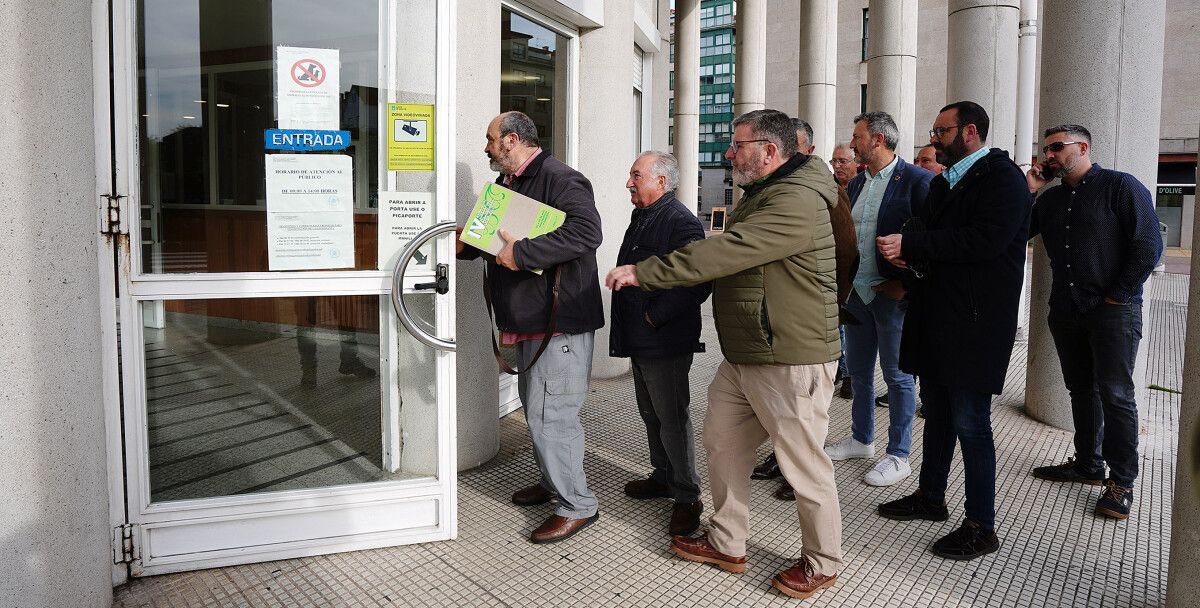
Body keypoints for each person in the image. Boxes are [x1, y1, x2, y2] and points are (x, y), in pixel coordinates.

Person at [606, 109, 843, 600]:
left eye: (738, 145)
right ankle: (726, 540)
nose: (728, 154)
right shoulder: (766, 193)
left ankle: (823, 562)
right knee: (722, 442)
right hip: (747, 354)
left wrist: (644, 272)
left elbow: (730, 250)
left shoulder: (796, 199)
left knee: (802, 463)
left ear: (771, 151)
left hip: (789, 354)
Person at [875, 101, 1032, 561]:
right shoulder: (947, 180)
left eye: (940, 130)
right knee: (939, 414)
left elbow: (985, 241)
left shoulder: (1002, 179)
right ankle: (930, 497)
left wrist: (916, 244)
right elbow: (941, 243)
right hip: (940, 317)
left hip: (975, 325)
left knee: (971, 423)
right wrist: (913, 258)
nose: (933, 138)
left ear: (969, 132)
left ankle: (981, 526)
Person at [457, 111, 604, 544]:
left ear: (511, 140)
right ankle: (552, 481)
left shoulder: (562, 178)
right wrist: (466, 245)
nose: (485, 147)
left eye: (489, 139)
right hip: (532, 320)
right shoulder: (509, 183)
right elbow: (500, 239)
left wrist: (522, 255)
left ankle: (576, 505)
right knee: (537, 408)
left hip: (557, 324)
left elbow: (586, 232)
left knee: (551, 415)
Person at [1025, 124, 1163, 520]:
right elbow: (1014, 233)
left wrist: (1117, 295)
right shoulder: (1049, 201)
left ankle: (1121, 480)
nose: (1048, 155)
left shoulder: (1121, 187)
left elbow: (1147, 246)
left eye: (1056, 148)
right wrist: (1028, 191)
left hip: (1114, 310)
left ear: (1082, 147)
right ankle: (1088, 463)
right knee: (1080, 389)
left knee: (1116, 394)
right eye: (1046, 149)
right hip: (1067, 310)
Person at [825, 111, 932, 487]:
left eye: (857, 138)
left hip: (893, 297)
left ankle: (899, 454)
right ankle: (861, 439)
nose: (852, 144)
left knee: (898, 377)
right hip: (857, 295)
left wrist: (908, 282)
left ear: (878, 140)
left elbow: (932, 239)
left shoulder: (918, 182)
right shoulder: (854, 185)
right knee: (858, 372)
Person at [759, 119, 860, 503]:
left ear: (808, 152)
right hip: (777, 318)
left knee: (806, 406)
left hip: (811, 316)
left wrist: (829, 303)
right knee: (783, 402)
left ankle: (798, 475)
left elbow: (847, 252)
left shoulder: (826, 191)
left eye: (794, 148)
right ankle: (779, 459)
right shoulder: (771, 188)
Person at [611, 151, 711, 536]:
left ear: (661, 181)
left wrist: (654, 317)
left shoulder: (680, 222)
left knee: (672, 419)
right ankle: (664, 475)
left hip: (664, 340)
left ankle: (688, 496)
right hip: (641, 337)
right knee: (651, 414)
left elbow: (698, 280)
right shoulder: (644, 215)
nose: (628, 182)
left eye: (636, 175)